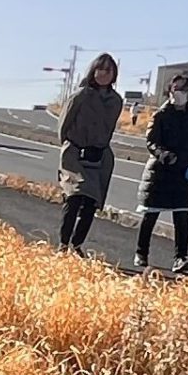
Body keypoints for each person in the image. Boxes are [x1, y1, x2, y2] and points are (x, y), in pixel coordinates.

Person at [134, 74, 188, 273]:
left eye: (184, 89)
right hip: (160, 172)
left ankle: (180, 258)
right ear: (169, 91)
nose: (180, 93)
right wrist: (164, 155)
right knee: (151, 214)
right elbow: (151, 142)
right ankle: (141, 253)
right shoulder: (160, 115)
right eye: (176, 89)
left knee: (182, 215)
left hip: (183, 173)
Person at [56, 53, 121, 254]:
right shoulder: (80, 96)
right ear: (93, 71)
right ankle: (63, 244)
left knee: (91, 202)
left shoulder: (116, 101)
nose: (104, 74)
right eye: (100, 69)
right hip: (75, 153)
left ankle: (77, 245)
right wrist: (69, 147)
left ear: (114, 74)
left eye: (108, 70)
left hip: (99, 156)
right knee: (74, 196)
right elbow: (63, 125)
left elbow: (109, 128)